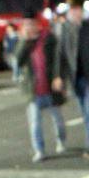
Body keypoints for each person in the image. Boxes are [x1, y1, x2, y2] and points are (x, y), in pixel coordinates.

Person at [56, 0, 89, 159]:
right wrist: (58, 77)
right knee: (85, 113)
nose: (75, 13)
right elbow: (61, 55)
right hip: (75, 79)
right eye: (72, 10)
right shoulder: (65, 29)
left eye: (77, 9)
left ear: (82, 10)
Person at [15, 13, 66, 163]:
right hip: (33, 90)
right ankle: (39, 150)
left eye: (32, 24)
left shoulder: (49, 38)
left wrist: (58, 77)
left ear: (38, 24)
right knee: (35, 123)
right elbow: (17, 61)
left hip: (50, 87)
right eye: (26, 25)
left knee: (58, 120)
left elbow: (58, 59)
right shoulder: (23, 42)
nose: (29, 28)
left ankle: (61, 141)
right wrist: (24, 41)